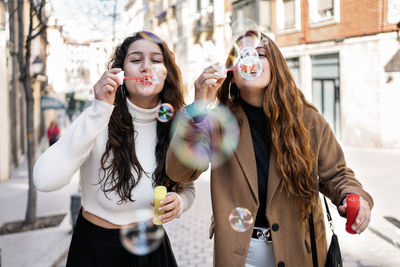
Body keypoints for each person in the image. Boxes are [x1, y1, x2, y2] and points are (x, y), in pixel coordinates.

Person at [166, 33, 373, 267]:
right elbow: (179, 173)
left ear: (276, 66)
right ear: (232, 73)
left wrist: (352, 197)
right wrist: (198, 107)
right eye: (241, 55)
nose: (250, 58)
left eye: (260, 54)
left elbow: (337, 175)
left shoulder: (308, 121)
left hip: (298, 250)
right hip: (239, 254)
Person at [34, 31, 195, 267]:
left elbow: (188, 186)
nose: (146, 67)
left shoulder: (177, 125)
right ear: (121, 73)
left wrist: (180, 202)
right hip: (97, 250)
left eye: (156, 60)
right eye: (136, 60)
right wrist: (99, 110)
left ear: (166, 73)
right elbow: (45, 180)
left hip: (152, 249)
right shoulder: (98, 118)